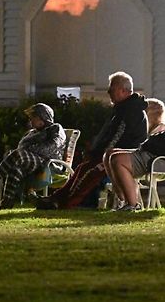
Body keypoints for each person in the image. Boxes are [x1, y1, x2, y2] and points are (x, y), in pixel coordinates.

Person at [36, 71, 148, 210]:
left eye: (111, 88)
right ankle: (56, 198)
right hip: (112, 154)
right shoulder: (122, 109)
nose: (108, 91)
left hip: (120, 156)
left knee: (91, 172)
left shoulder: (131, 110)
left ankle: (67, 203)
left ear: (122, 90)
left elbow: (117, 137)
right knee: (82, 168)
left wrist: (100, 153)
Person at [0, 103, 66, 209]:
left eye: (33, 118)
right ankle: (7, 201)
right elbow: (21, 146)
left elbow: (51, 146)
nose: (31, 121)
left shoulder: (55, 128)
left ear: (43, 117)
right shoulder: (31, 133)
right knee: (16, 169)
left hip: (49, 163)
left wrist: (28, 151)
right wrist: (26, 151)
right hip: (32, 161)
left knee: (18, 154)